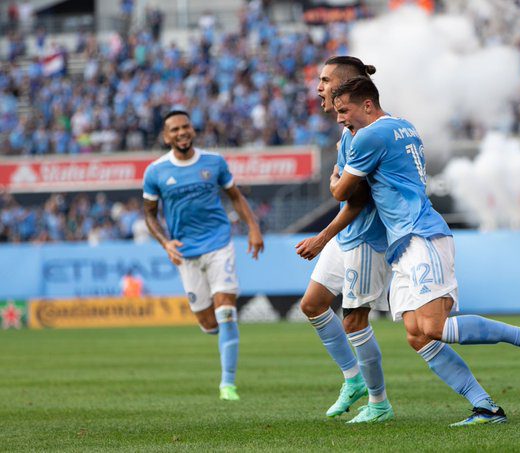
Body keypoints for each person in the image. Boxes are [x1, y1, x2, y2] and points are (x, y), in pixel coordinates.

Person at [330, 76, 520, 427]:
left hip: (421, 234)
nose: (340, 118)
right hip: (402, 243)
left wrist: (335, 178)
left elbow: (341, 191)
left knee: (434, 328)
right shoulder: (402, 125)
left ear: (367, 105)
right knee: (417, 336)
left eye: (344, 110)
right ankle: (485, 406)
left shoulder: (370, 135)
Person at [294, 56, 394, 423]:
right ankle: (353, 379)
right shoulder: (347, 129)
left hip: (367, 238)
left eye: (324, 80)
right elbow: (340, 189)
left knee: (354, 321)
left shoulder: (368, 132)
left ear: (345, 84)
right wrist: (336, 186)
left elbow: (354, 199)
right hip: (347, 234)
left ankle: (379, 403)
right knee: (313, 304)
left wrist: (321, 238)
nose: (318, 87)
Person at [143, 110, 264, 401]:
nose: (181, 132)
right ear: (166, 136)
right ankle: (220, 335)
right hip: (185, 251)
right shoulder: (156, 171)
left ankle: (228, 385)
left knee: (226, 311)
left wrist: (253, 228)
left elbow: (235, 196)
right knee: (209, 323)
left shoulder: (214, 162)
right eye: (175, 129)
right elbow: (149, 215)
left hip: (219, 243)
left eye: (185, 127)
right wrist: (165, 243)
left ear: (193, 130)